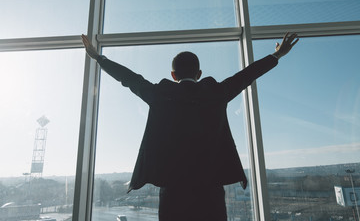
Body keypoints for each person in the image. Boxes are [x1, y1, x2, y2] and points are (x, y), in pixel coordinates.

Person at [81, 32, 299, 221]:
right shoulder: (216, 93)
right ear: (199, 74)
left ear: (173, 75)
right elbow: (246, 76)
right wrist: (276, 55)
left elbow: (129, 78)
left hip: (173, 191)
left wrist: (98, 57)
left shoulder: (160, 95)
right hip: (210, 191)